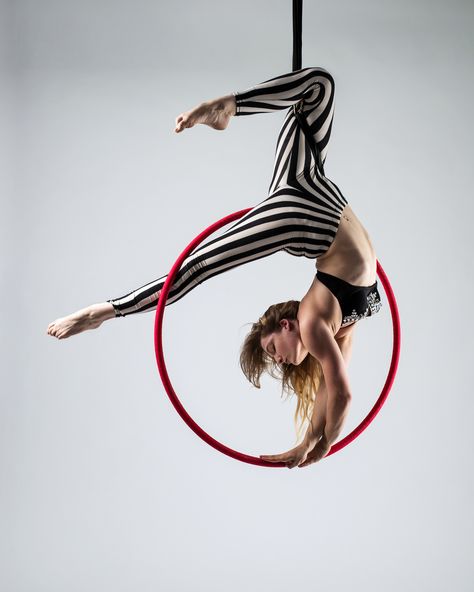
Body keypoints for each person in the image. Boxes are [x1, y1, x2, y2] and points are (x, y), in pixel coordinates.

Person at [47, 67, 382, 469]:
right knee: (319, 86)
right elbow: (335, 385)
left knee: (199, 266)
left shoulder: (313, 322)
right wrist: (310, 440)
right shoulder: (328, 325)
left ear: (287, 325)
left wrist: (319, 445)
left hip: (300, 211)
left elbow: (340, 393)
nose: (278, 362)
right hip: (313, 190)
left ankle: (104, 311)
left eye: (272, 349)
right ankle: (107, 310)